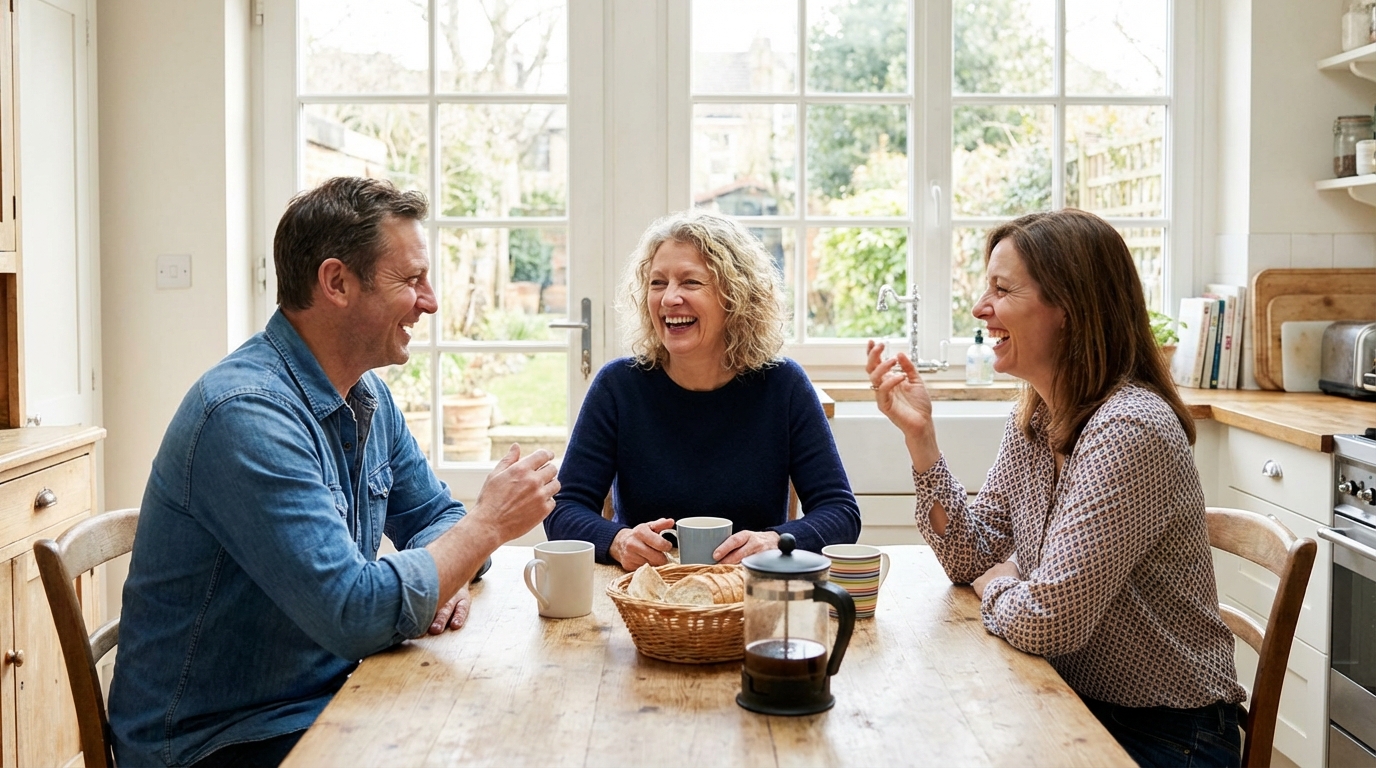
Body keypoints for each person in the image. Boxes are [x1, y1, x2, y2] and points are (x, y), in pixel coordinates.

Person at [109, 177, 560, 768]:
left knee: (502, 727)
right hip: (216, 741)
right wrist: (485, 529)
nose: (431, 301)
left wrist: (444, 569)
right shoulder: (245, 416)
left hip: (322, 695)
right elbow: (356, 612)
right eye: (412, 280)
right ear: (336, 282)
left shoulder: (365, 394)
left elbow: (434, 514)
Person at [868, 209, 1246, 768]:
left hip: (1166, 736)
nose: (979, 309)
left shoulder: (1131, 429)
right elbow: (973, 555)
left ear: (1068, 308)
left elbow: (1050, 620)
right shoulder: (1040, 417)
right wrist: (921, 437)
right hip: (1074, 700)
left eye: (1002, 289)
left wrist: (997, 585)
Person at [545, 209, 859, 569]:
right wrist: (617, 540)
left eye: (690, 282)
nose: (668, 299)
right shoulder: (618, 386)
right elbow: (563, 509)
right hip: (647, 595)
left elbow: (841, 514)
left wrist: (774, 542)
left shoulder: (783, 385)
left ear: (736, 296)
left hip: (747, 595)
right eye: (657, 283)